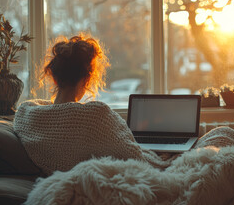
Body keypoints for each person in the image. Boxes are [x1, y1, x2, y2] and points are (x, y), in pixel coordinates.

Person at [13, 34, 169, 176]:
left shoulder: (28, 116)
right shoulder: (95, 115)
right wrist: (165, 159)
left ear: (54, 78)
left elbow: (33, 108)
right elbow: (135, 157)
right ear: (86, 80)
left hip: (63, 188)